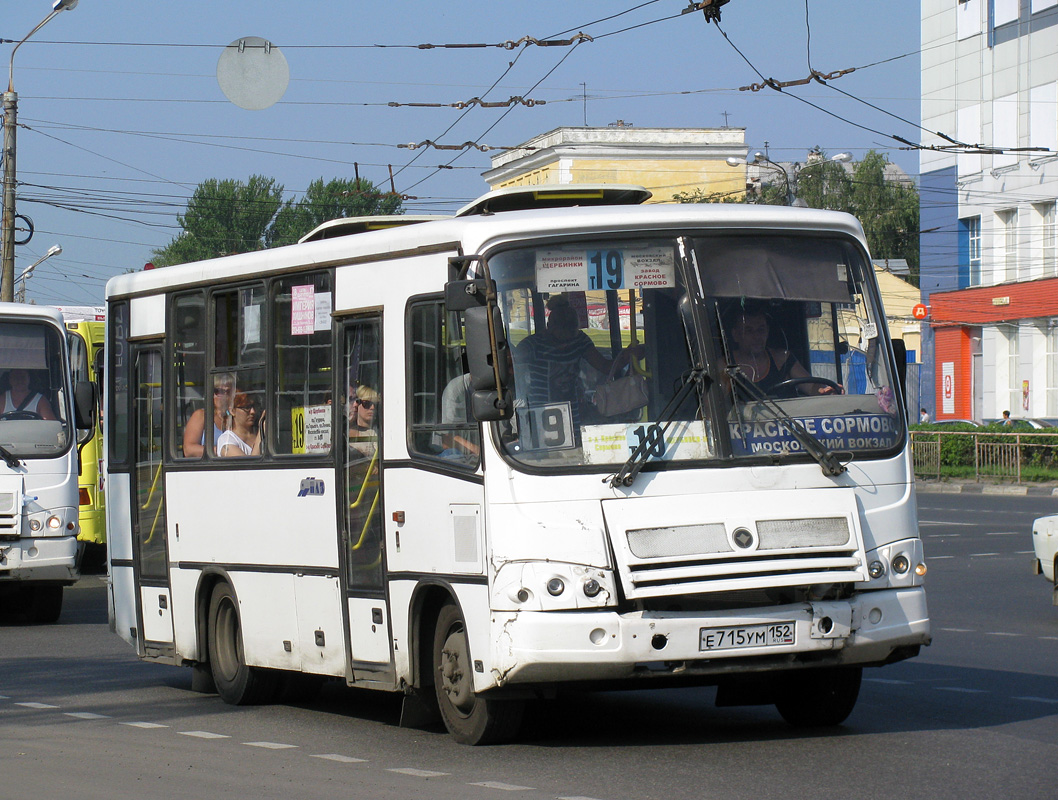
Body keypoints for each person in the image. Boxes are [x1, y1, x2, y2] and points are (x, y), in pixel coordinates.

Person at [516, 294, 633, 424]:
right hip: (540, 413)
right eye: (561, 338)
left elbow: (606, 367)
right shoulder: (533, 345)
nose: (566, 344)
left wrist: (629, 356)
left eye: (570, 336)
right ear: (549, 327)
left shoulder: (579, 340)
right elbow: (512, 366)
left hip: (571, 413)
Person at [726, 305, 833, 397]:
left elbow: (811, 386)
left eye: (761, 330)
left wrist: (824, 390)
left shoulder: (782, 359)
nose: (757, 336)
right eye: (749, 331)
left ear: (767, 331)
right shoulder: (725, 366)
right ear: (735, 335)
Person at [182, 373, 235, 457]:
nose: (223, 396)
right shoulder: (201, 416)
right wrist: (221, 451)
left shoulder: (236, 417)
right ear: (211, 393)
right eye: (218, 391)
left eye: (227, 391)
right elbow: (189, 449)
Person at [217, 392, 262, 457]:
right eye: (247, 407)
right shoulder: (227, 440)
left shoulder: (258, 433)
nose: (253, 412)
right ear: (232, 410)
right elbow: (250, 466)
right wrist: (261, 433)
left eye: (254, 407)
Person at [348, 384, 379, 458]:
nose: (372, 407)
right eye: (367, 404)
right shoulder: (344, 432)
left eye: (375, 404)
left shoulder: (376, 433)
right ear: (357, 404)